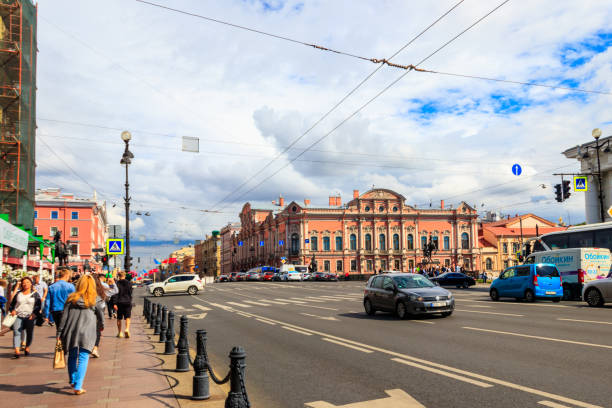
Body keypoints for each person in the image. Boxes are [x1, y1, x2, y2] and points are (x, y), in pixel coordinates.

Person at [57, 275, 105, 395]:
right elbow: (101, 316)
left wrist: (59, 332)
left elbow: (64, 317)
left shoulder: (71, 298)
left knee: (72, 355)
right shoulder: (96, 299)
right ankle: (78, 386)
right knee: (83, 357)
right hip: (88, 330)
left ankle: (73, 380)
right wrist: (101, 326)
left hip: (71, 329)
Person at [8, 277, 42, 358]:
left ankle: (27, 346)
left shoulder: (35, 294)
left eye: (27, 282)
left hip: (30, 316)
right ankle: (17, 350)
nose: (25, 284)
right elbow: (12, 304)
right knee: (16, 332)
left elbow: (38, 305)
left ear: (31, 284)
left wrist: (34, 314)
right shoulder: (18, 294)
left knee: (29, 333)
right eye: (23, 282)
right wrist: (12, 310)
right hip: (18, 315)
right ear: (21, 284)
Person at [47, 268, 76, 333]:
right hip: (66, 309)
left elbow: (48, 301)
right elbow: (74, 299)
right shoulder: (70, 286)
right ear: (66, 275)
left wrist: (46, 314)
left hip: (55, 310)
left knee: (59, 327)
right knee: (66, 328)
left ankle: (59, 339)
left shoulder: (52, 286)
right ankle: (63, 341)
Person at [91, 275, 108, 358]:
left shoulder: (80, 292)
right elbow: (100, 310)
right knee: (97, 332)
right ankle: (95, 348)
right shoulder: (100, 292)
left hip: (84, 318)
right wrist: (102, 323)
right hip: (95, 317)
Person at [113, 271, 133, 338]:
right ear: (125, 276)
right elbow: (130, 292)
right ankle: (127, 329)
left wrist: (114, 303)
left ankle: (120, 332)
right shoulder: (129, 283)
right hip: (127, 302)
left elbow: (115, 294)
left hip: (119, 303)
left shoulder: (116, 283)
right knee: (128, 317)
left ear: (118, 276)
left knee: (119, 318)